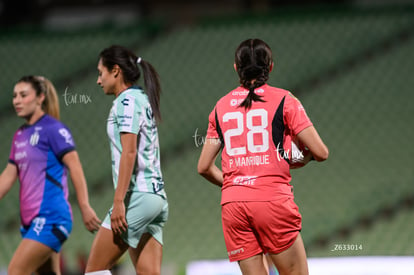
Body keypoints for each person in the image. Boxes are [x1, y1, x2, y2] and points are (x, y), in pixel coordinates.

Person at [197, 39, 329, 275]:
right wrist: (302, 158)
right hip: (272, 200)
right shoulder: (285, 100)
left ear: (236, 68)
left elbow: (204, 167)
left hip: (233, 205)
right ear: (270, 67)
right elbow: (321, 152)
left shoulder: (220, 107)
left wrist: (236, 184)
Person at [0, 75, 101, 275]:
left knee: (16, 271)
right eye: (14, 96)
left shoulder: (53, 129)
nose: (17, 101)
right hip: (31, 222)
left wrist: (85, 206)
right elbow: (7, 176)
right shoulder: (20, 135)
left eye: (23, 95)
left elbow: (76, 166)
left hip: (50, 218)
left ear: (40, 98)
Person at [84, 45, 168, 275]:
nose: (98, 81)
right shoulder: (141, 97)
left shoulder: (127, 102)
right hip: (155, 198)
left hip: (137, 197)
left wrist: (119, 201)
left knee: (94, 271)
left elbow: (129, 152)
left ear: (116, 71)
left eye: (101, 73)